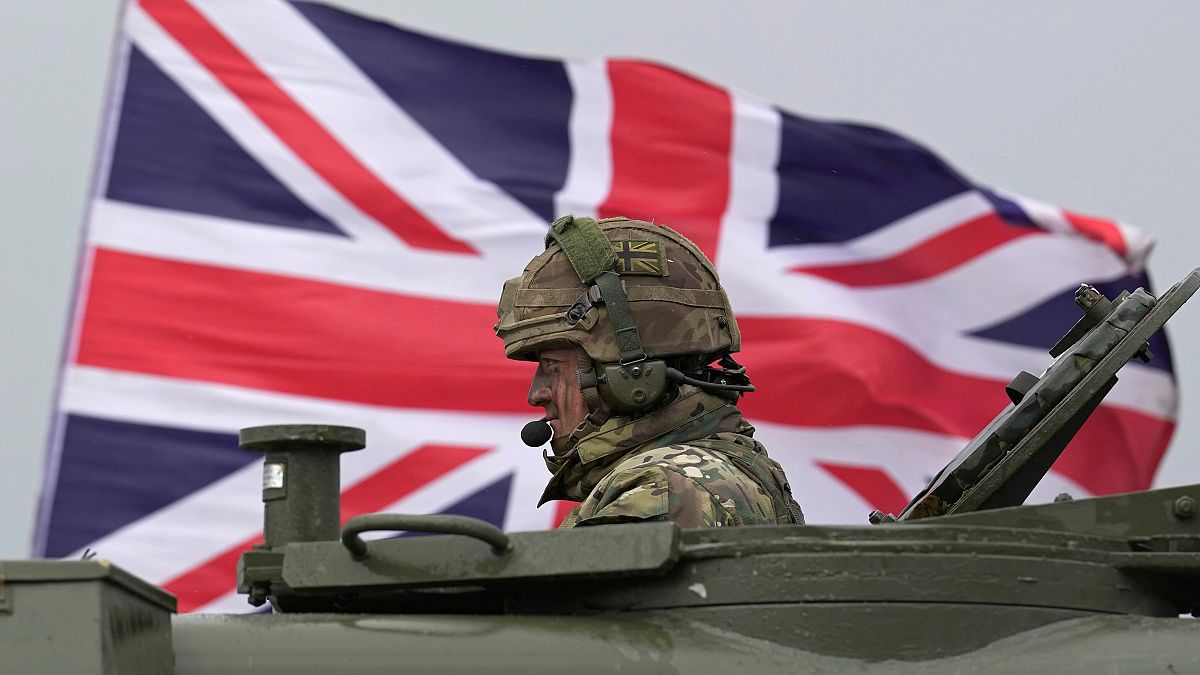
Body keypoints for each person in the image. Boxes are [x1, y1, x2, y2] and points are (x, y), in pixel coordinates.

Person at [495, 215, 804, 528]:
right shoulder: (708, 472)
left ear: (631, 374)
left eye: (552, 367)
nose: (537, 394)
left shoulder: (662, 491)